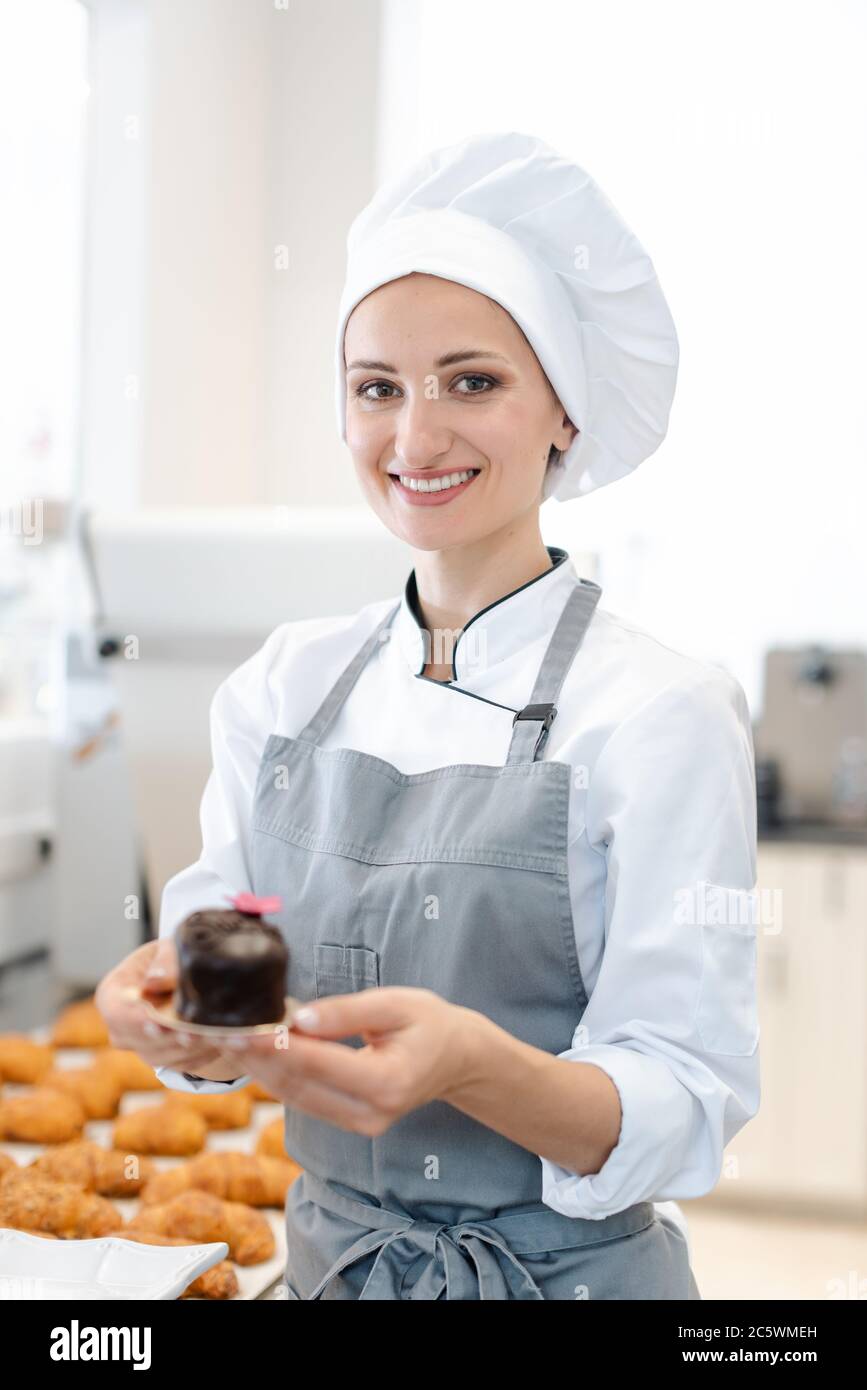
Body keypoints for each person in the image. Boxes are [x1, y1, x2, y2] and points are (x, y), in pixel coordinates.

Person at [97, 131, 760, 1301]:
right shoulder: (282, 688)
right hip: (328, 1270)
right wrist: (161, 1013)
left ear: (565, 412)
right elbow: (213, 974)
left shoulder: (663, 711)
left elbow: (688, 1098)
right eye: (377, 389)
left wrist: (474, 1065)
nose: (414, 439)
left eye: (473, 380)